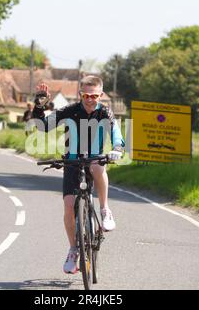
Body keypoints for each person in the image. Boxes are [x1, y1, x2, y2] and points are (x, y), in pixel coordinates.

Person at [32, 75, 124, 274]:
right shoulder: (70, 111)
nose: (90, 99)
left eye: (94, 96)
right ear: (80, 94)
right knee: (68, 207)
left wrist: (117, 147)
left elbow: (116, 132)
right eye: (86, 95)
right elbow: (42, 126)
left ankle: (105, 209)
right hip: (72, 162)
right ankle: (73, 249)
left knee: (98, 167)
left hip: (95, 159)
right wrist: (39, 105)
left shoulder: (105, 112)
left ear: (100, 95)